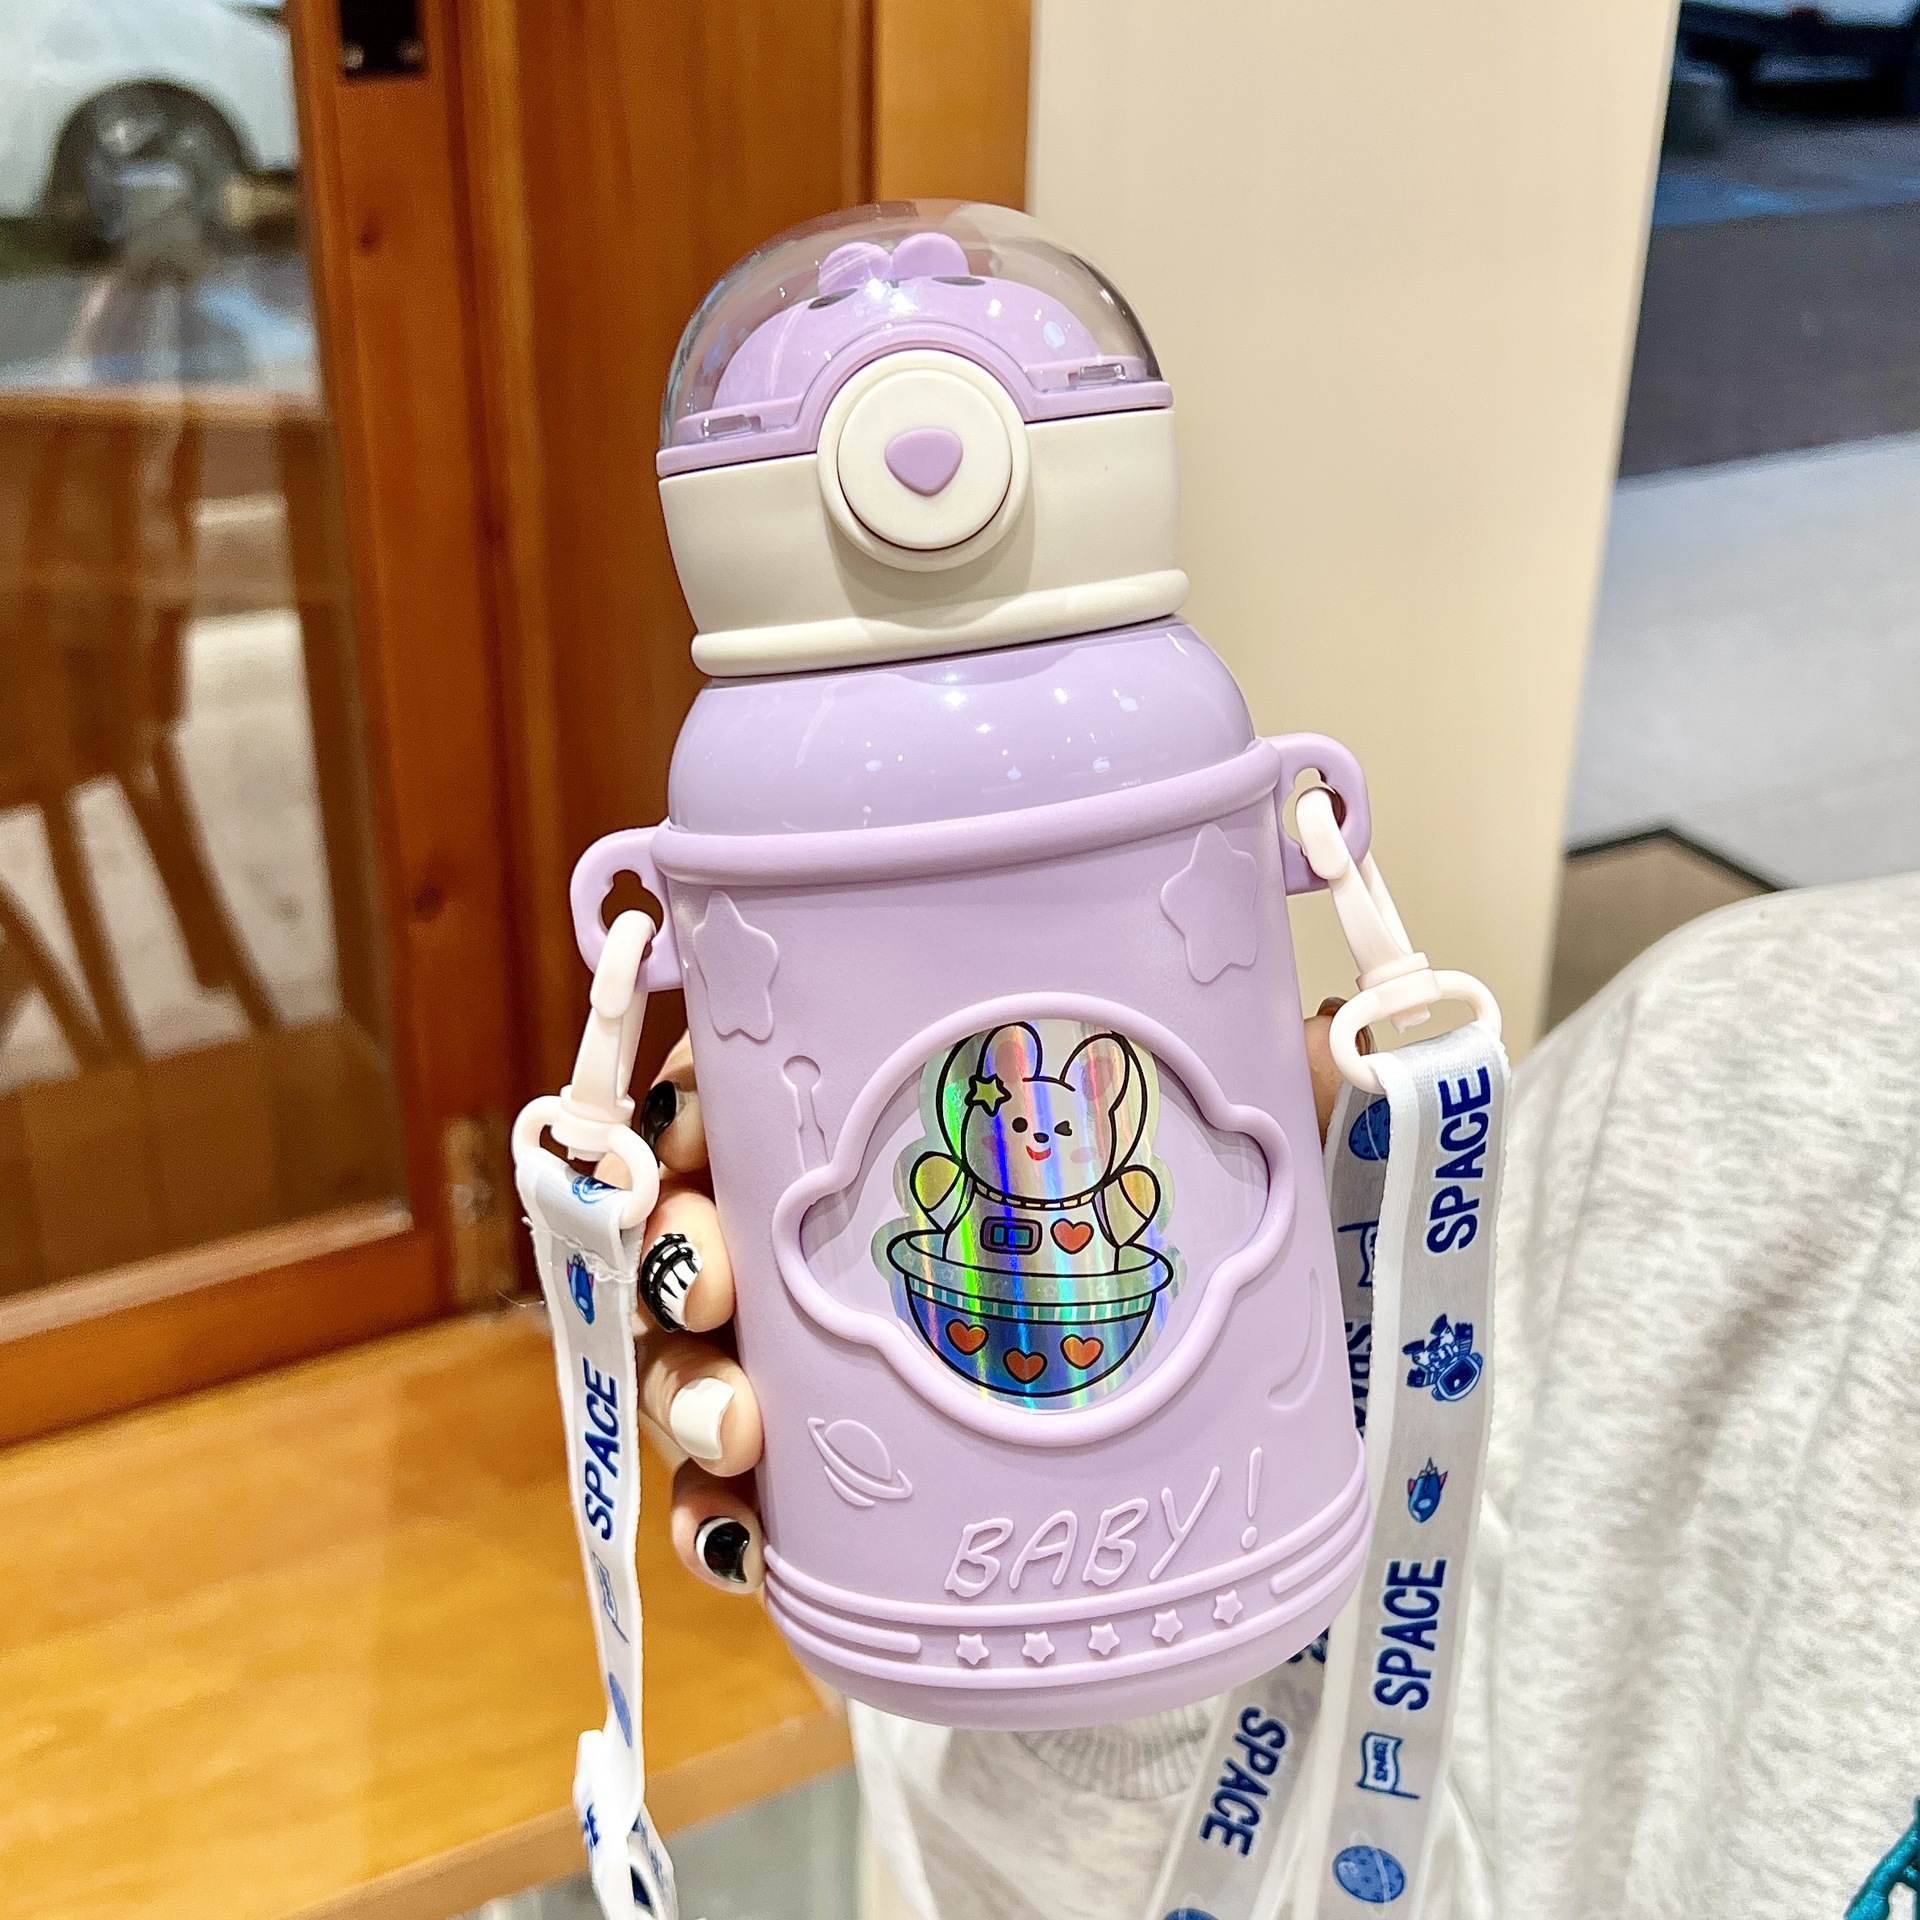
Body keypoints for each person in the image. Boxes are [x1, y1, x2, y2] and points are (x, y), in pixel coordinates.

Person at [619, 875, 1920, 1919]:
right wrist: (1131, 1602)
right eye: (1019, 1124)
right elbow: (1356, 1852)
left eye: (1064, 1126)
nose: (1044, 1139)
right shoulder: (1725, 1077)